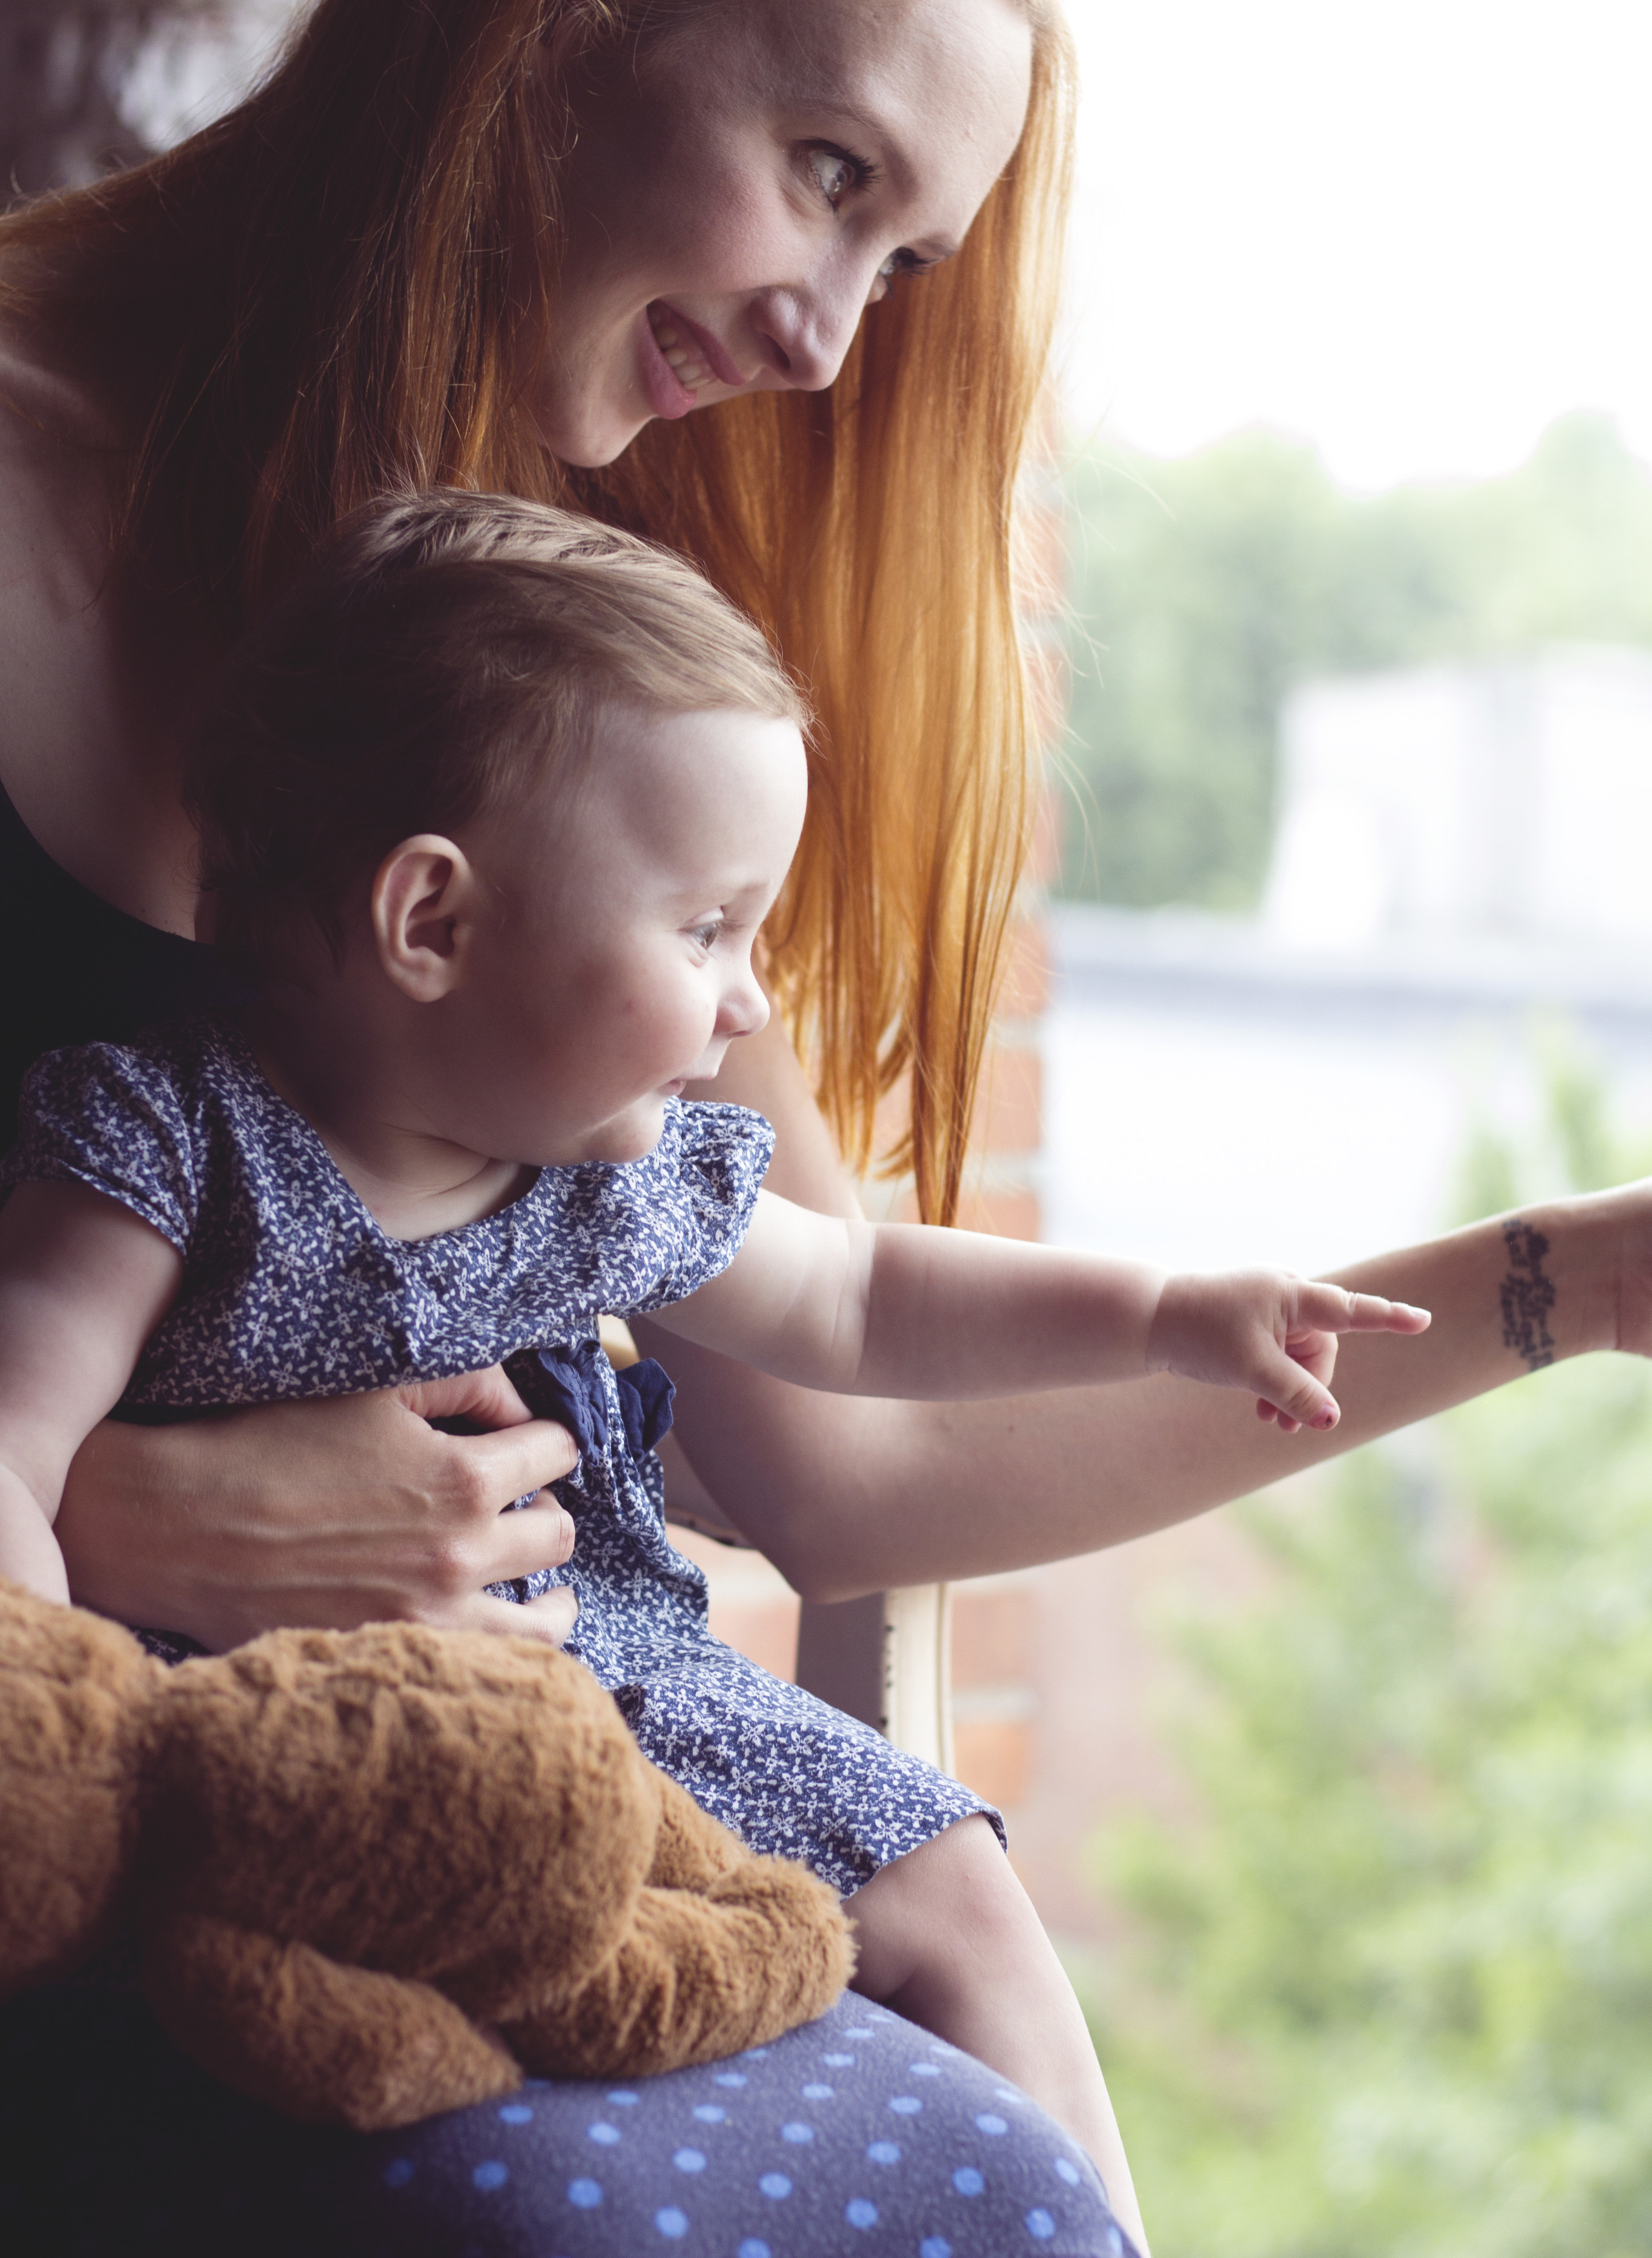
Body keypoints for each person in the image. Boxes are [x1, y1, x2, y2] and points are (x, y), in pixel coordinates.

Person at [0, 0, 1647, 2250]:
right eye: (825, 171)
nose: (820, 336)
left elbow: (843, 1417)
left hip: (469, 1818)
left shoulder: (539, 705)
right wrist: (121, 1517)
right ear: (560, 21)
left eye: (899, 262)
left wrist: (1563, 1283)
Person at [0, 489, 1433, 2177]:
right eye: (707, 928)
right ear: (433, 923)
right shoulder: (168, 1148)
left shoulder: (610, 1177)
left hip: (631, 1684)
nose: (750, 999)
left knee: (954, 1885)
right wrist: (72, 1731)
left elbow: (861, 1294)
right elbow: (14, 1446)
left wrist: (1169, 1312)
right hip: (280, 1726)